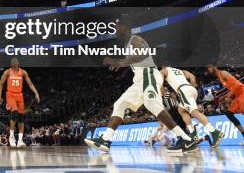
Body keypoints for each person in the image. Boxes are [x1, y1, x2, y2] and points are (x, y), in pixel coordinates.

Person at [84, 21, 198, 153]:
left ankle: (186, 139)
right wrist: (121, 62)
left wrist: (120, 62)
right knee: (120, 104)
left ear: (125, 28)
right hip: (139, 79)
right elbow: (133, 58)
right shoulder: (128, 44)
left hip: (147, 74)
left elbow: (143, 53)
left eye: (117, 27)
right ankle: (106, 140)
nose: (115, 30)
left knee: (153, 105)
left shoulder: (135, 39)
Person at [161, 66, 224, 147]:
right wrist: (191, 87)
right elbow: (192, 77)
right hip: (191, 89)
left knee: (194, 112)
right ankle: (192, 134)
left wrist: (164, 96)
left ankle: (215, 132)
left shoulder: (163, 71)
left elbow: (160, 85)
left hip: (183, 90)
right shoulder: (180, 70)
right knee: (181, 110)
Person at [0, 57, 40, 148]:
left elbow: (30, 84)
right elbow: (1, 84)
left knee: (21, 117)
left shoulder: (23, 72)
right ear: (11, 64)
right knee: (14, 113)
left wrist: (36, 93)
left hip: (19, 95)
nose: (14, 63)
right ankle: (11, 138)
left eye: (16, 62)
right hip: (10, 94)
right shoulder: (7, 72)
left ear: (18, 63)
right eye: (13, 62)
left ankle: (20, 140)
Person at [208, 65, 244, 142]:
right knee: (229, 113)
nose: (209, 69)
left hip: (242, 93)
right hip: (237, 96)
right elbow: (232, 88)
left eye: (210, 66)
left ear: (215, 66)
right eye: (208, 68)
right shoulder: (220, 78)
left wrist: (227, 96)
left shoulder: (223, 73)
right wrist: (224, 97)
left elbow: (237, 85)